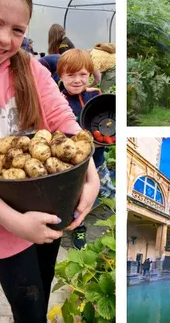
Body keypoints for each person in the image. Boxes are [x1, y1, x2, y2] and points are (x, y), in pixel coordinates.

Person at [0, 0, 100, 323]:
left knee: (44, 283)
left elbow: (64, 120)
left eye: (17, 30)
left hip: (48, 205)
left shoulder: (31, 69)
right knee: (28, 304)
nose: (5, 39)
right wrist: (14, 222)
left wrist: (89, 173)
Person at [57, 49, 115, 249]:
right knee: (77, 199)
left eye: (82, 74)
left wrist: (108, 140)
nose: (77, 80)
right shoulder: (57, 101)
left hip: (97, 159)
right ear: (61, 75)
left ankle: (116, 215)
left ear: (90, 75)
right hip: (74, 167)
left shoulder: (96, 95)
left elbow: (108, 124)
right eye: (70, 75)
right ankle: (78, 227)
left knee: (107, 188)